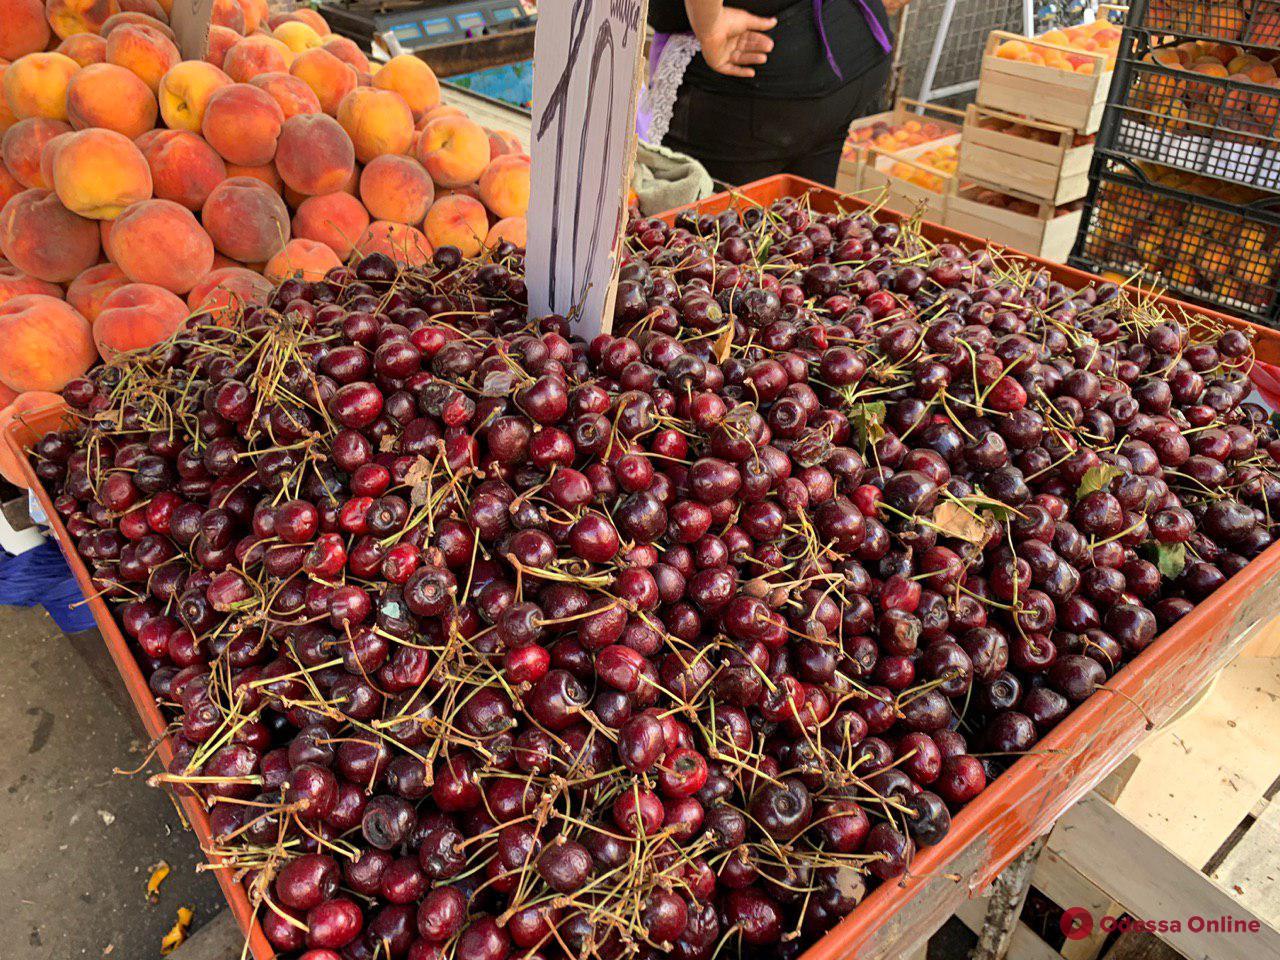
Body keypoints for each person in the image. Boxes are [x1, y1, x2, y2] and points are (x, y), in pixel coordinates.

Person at [644, 0, 904, 187]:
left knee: (704, 240)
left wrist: (709, 28)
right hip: (848, 53)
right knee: (805, 233)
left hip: (755, 84)